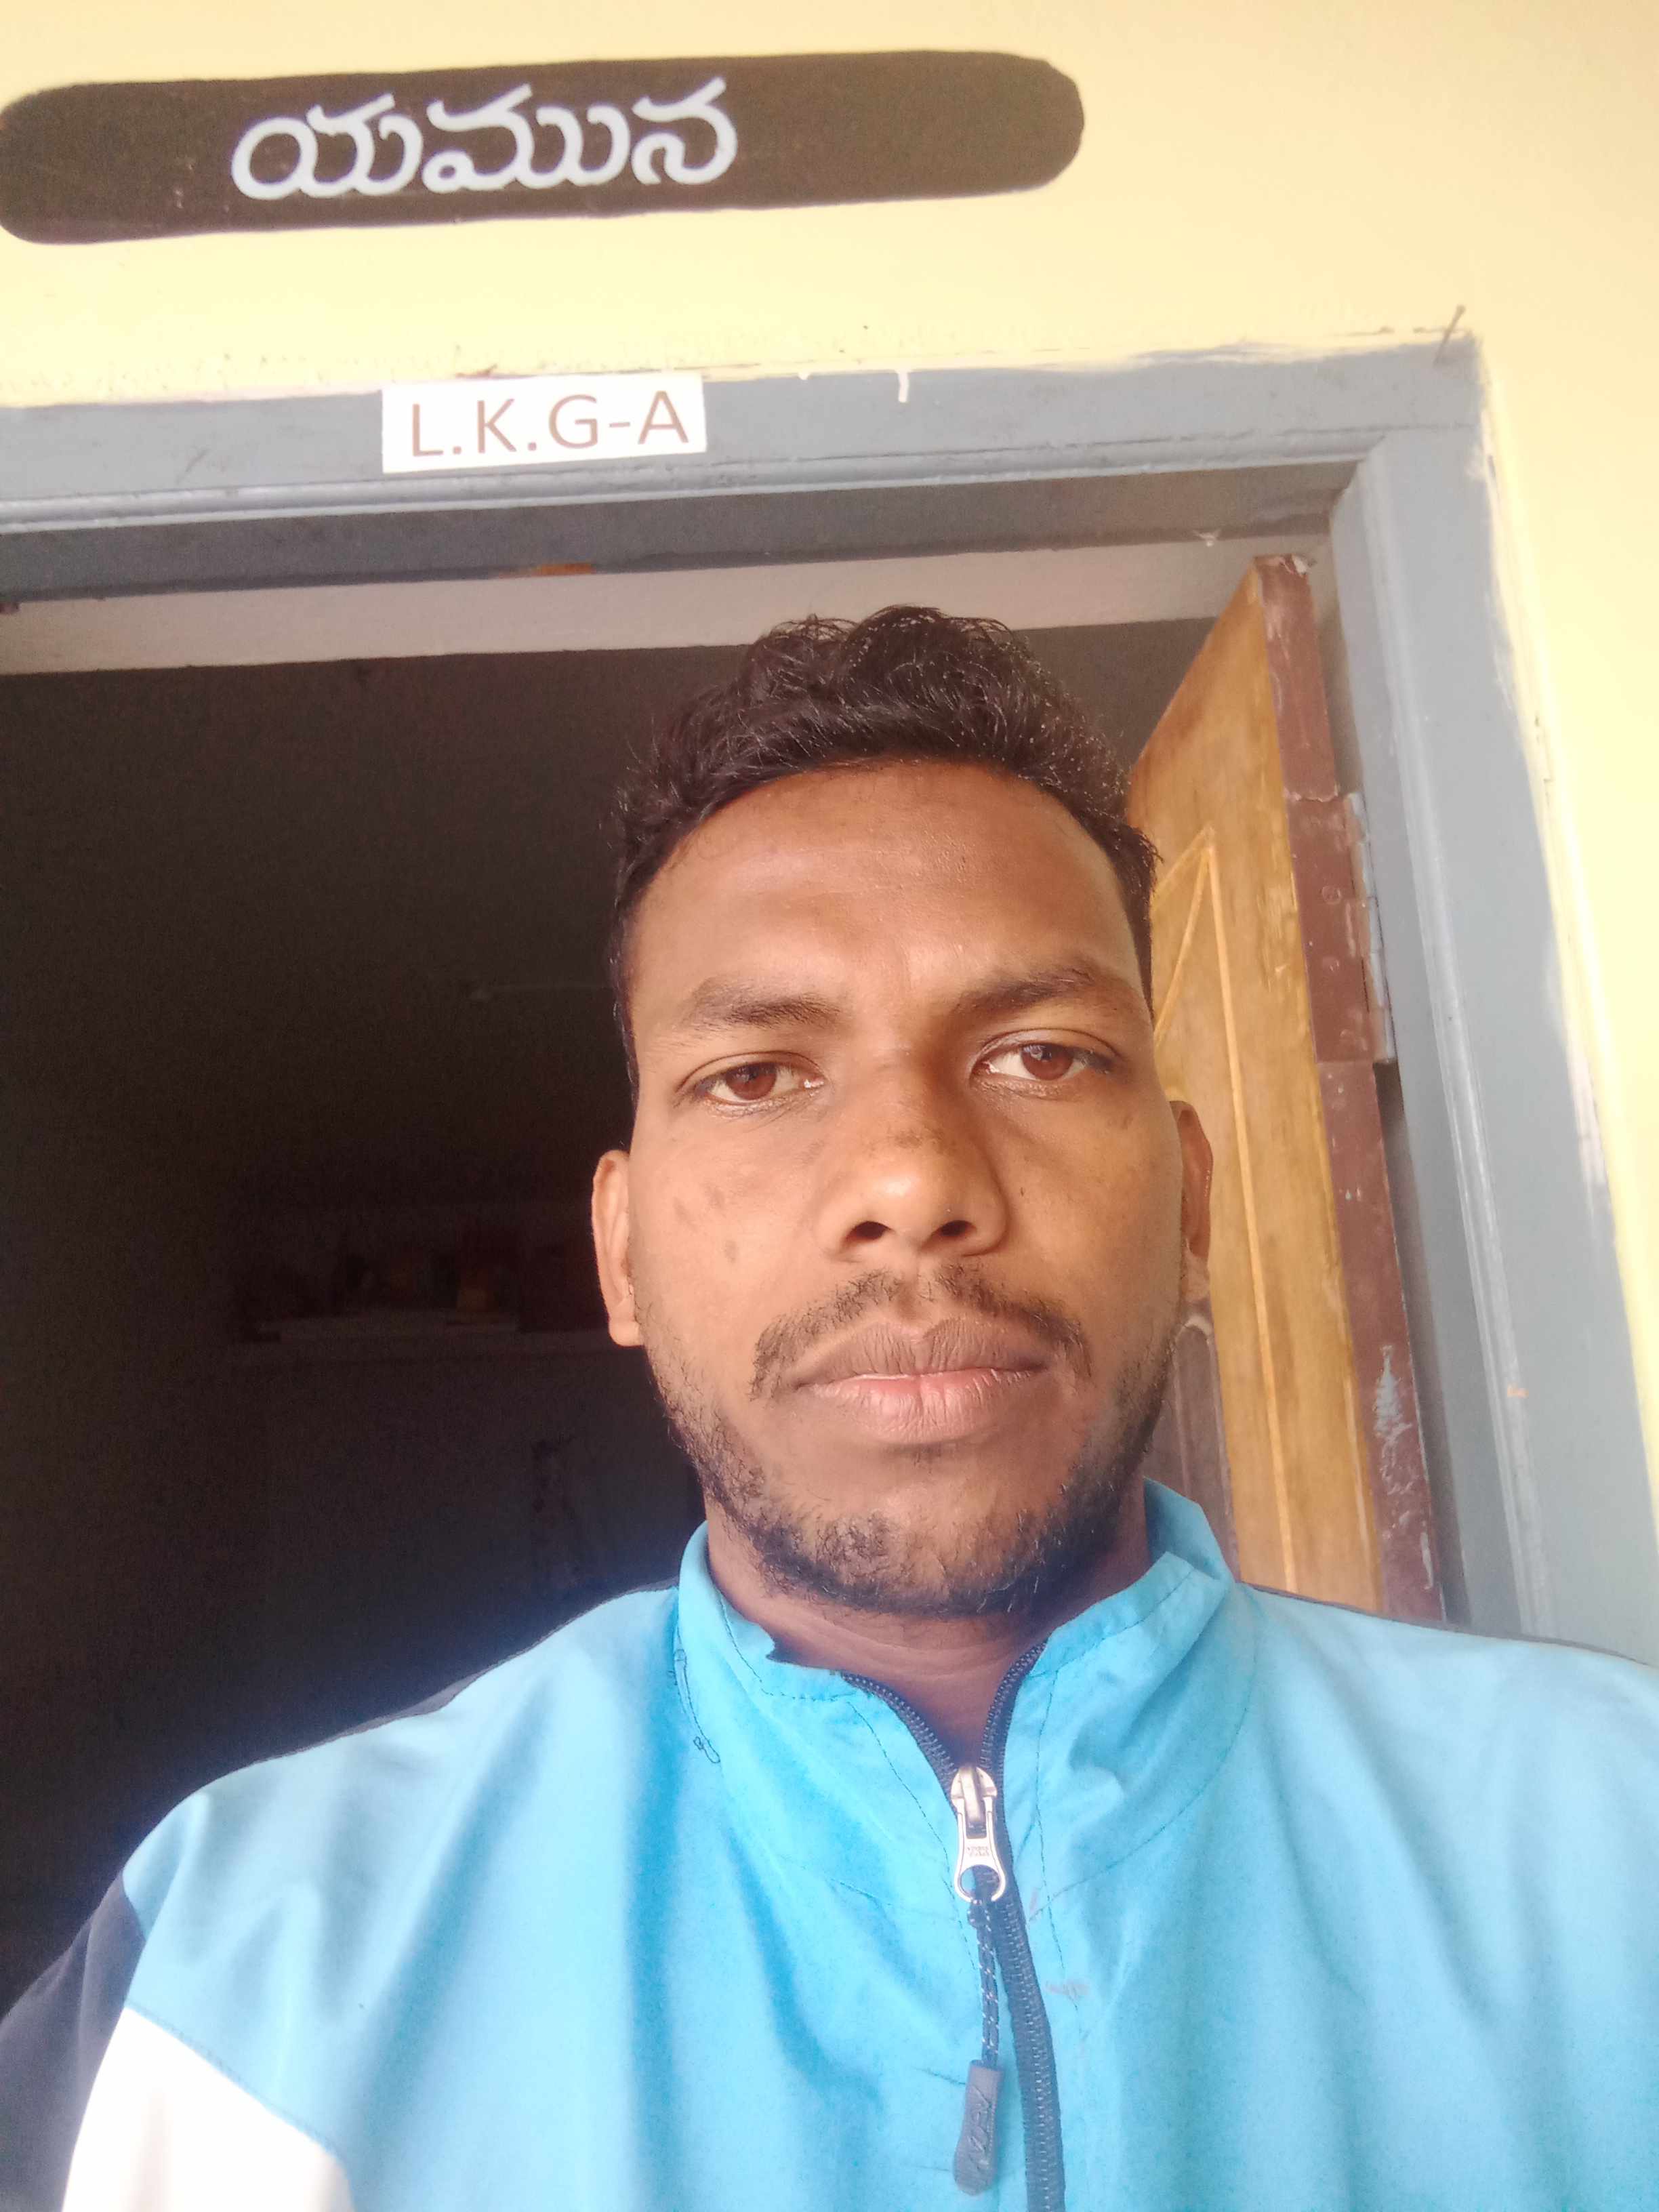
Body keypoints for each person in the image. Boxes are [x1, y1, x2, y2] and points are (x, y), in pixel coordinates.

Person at [3, 607, 1658, 2212]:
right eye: (757, 1076)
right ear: (621, 1252)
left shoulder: (1614, 1840)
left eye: (1041, 1054)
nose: (913, 1181)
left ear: (1195, 1202)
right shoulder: (245, 1956)